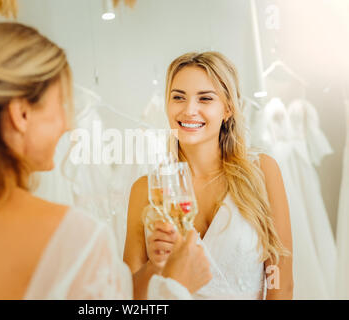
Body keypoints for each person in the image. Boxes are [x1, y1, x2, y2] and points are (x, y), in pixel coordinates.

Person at [0, 22, 209, 300]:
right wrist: (176, 288)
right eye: (60, 103)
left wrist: (158, 272)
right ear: (21, 114)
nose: (69, 125)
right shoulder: (74, 236)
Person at [124, 52, 294, 300]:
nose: (189, 110)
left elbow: (281, 287)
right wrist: (156, 266)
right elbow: (127, 299)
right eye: (178, 97)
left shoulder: (263, 171)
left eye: (205, 99)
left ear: (227, 109)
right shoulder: (146, 190)